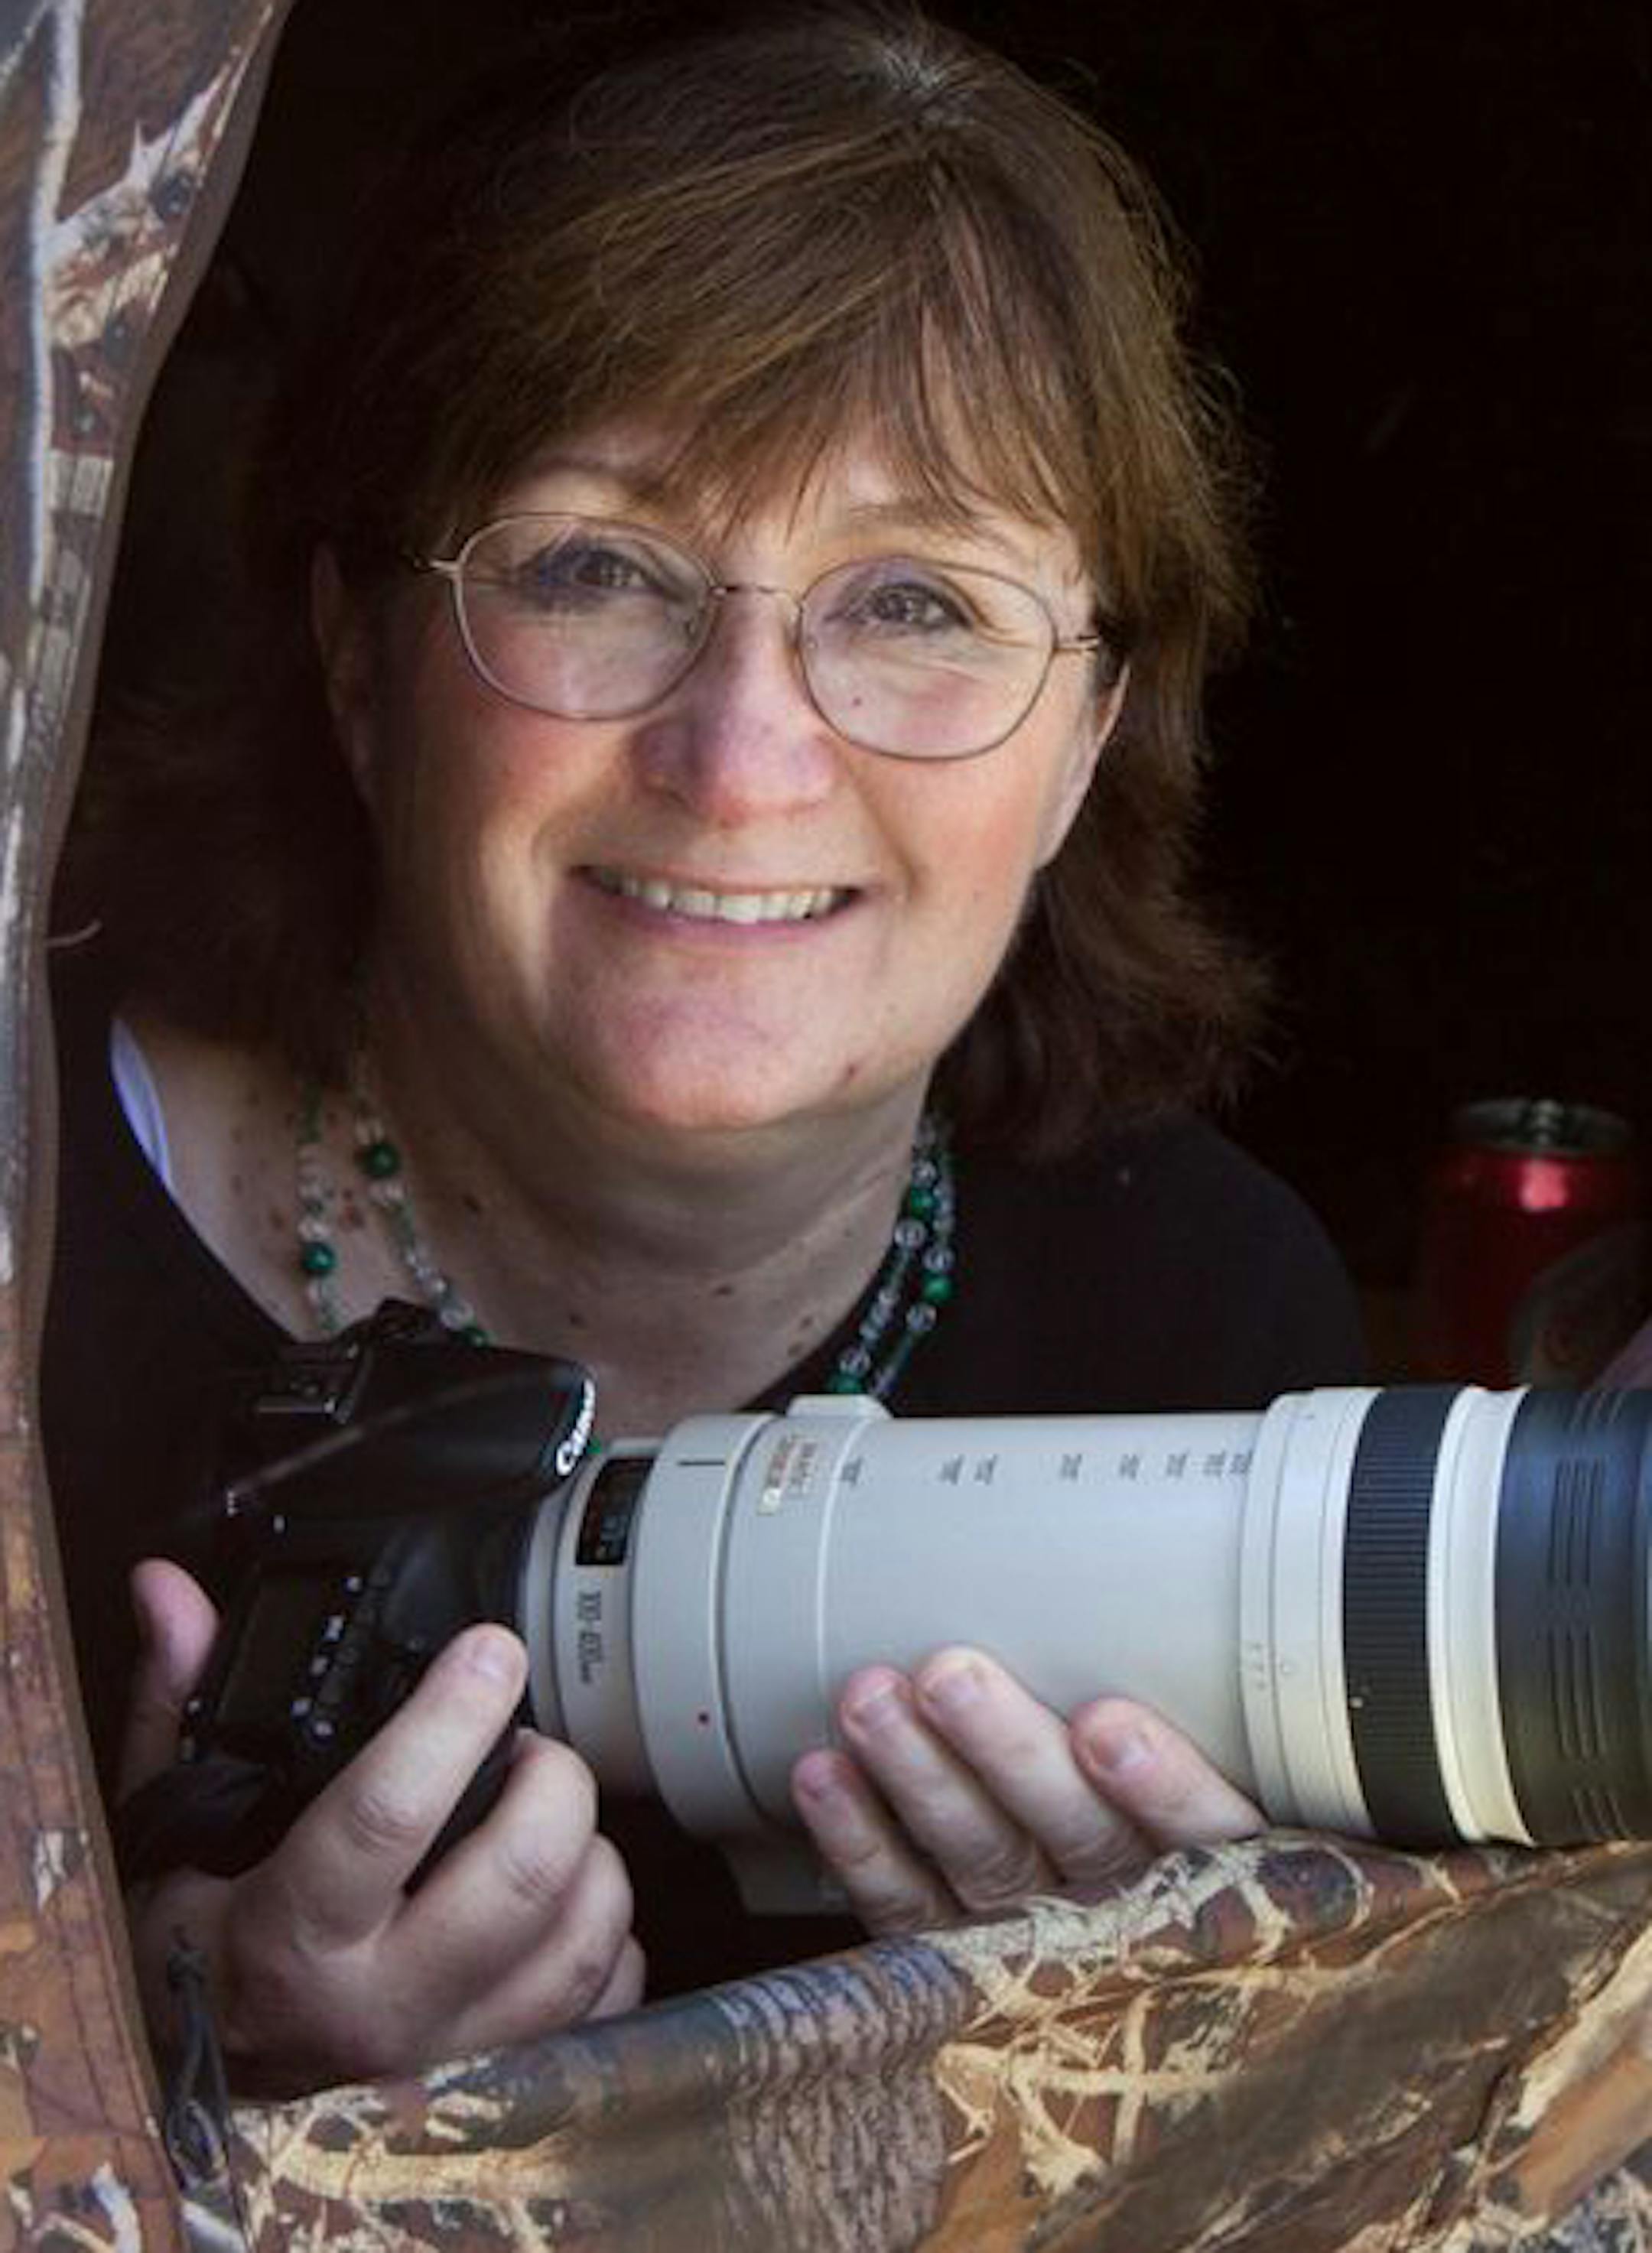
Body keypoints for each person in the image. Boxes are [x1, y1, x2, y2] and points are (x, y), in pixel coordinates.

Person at [44, 0, 1365, 2096]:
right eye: (596, 566)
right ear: (360, 662)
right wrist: (136, 2060)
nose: (743, 755)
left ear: (1092, 732)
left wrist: (1153, 2072)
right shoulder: (26, 1246)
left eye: (916, 601)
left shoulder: (1208, 1328)